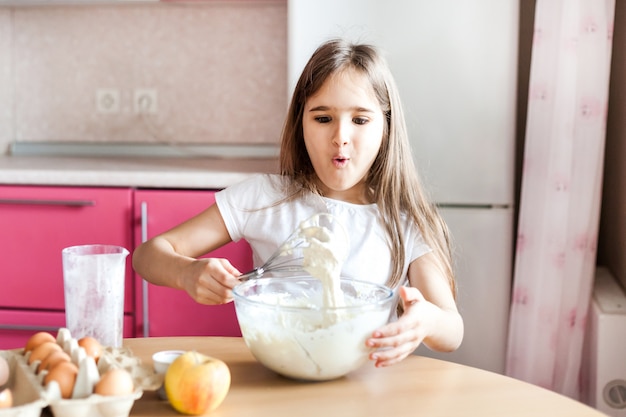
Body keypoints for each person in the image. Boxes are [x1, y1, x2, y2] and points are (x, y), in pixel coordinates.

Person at [132, 38, 463, 367]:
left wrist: (427, 322)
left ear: (386, 129)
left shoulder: (404, 220)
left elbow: (453, 330)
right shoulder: (263, 199)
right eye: (323, 118)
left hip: (365, 390)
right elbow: (147, 255)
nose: (340, 137)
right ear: (300, 124)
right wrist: (187, 272)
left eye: (360, 120)